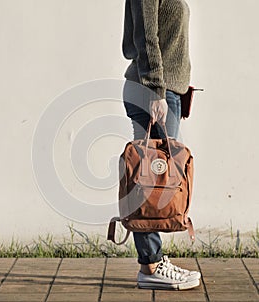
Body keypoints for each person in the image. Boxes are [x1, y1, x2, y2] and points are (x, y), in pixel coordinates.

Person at [122, 0, 201, 290]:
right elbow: (146, 35)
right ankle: (152, 264)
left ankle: (152, 262)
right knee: (149, 183)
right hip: (153, 92)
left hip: (166, 92)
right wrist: (156, 88)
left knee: (155, 181)